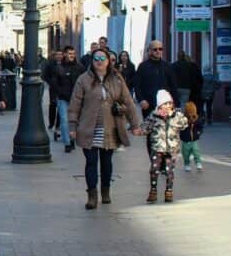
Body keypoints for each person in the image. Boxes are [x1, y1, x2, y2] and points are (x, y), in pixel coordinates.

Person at [68, 47, 143, 209]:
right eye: (96, 59)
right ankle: (92, 195)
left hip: (110, 128)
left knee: (107, 162)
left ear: (109, 61)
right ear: (92, 61)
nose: (99, 62)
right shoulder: (83, 80)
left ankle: (106, 191)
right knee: (91, 162)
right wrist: (72, 126)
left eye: (103, 59)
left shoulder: (116, 78)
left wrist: (135, 124)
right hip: (89, 128)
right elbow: (75, 104)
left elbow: (128, 101)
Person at [141, 89, 188, 203]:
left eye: (169, 103)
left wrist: (176, 117)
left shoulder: (177, 115)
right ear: (160, 105)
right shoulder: (154, 115)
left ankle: (169, 190)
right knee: (154, 169)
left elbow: (184, 124)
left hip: (172, 148)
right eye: (165, 104)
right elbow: (145, 127)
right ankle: (153, 190)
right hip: (157, 147)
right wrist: (139, 130)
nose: (167, 106)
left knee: (169, 170)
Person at [134, 40, 179, 161]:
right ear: (149, 51)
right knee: (152, 135)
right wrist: (141, 99)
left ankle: (164, 162)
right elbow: (137, 85)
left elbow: (173, 86)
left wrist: (177, 106)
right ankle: (154, 160)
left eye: (160, 49)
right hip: (149, 106)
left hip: (166, 107)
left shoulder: (167, 66)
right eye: (155, 49)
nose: (158, 51)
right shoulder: (143, 67)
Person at [52, 46, 85, 153]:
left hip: (77, 98)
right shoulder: (59, 68)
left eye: (73, 53)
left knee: (76, 121)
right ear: (65, 54)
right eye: (70, 53)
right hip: (63, 98)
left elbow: (84, 82)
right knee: (64, 120)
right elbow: (54, 83)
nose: (72, 55)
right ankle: (67, 142)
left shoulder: (79, 67)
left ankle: (72, 138)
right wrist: (59, 93)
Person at [42, 49, 63, 140]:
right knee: (53, 105)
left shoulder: (64, 64)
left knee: (60, 106)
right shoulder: (51, 64)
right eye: (57, 54)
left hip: (62, 88)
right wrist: (51, 82)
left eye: (60, 54)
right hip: (53, 88)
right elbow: (45, 75)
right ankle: (51, 122)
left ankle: (58, 124)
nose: (59, 56)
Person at [180, 101, 204, 172]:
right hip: (185, 139)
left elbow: (200, 127)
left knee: (196, 151)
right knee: (185, 153)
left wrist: (198, 133)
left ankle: (198, 163)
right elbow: (181, 127)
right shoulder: (183, 118)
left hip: (194, 139)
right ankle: (187, 164)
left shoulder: (196, 118)